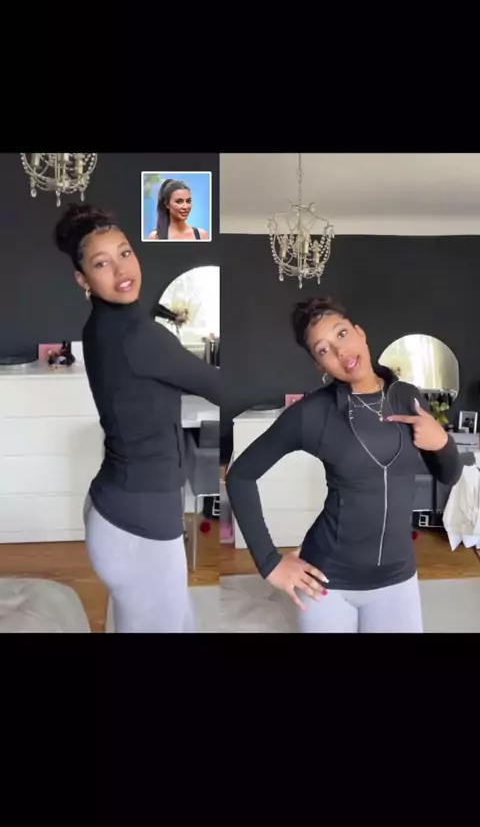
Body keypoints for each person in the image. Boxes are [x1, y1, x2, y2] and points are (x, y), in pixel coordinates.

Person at [226, 296, 463, 633]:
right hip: (327, 581)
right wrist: (270, 563)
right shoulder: (312, 414)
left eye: (341, 334)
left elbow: (449, 475)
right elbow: (240, 476)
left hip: (397, 579)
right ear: (319, 365)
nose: (340, 351)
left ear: (359, 333)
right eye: (323, 350)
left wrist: (442, 442)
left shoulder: (407, 397)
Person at [54, 204, 221, 633]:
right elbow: (220, 387)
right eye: (101, 263)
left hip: (119, 508)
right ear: (82, 279)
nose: (121, 269)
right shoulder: (139, 334)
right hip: (139, 525)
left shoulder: (101, 325)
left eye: (125, 253)